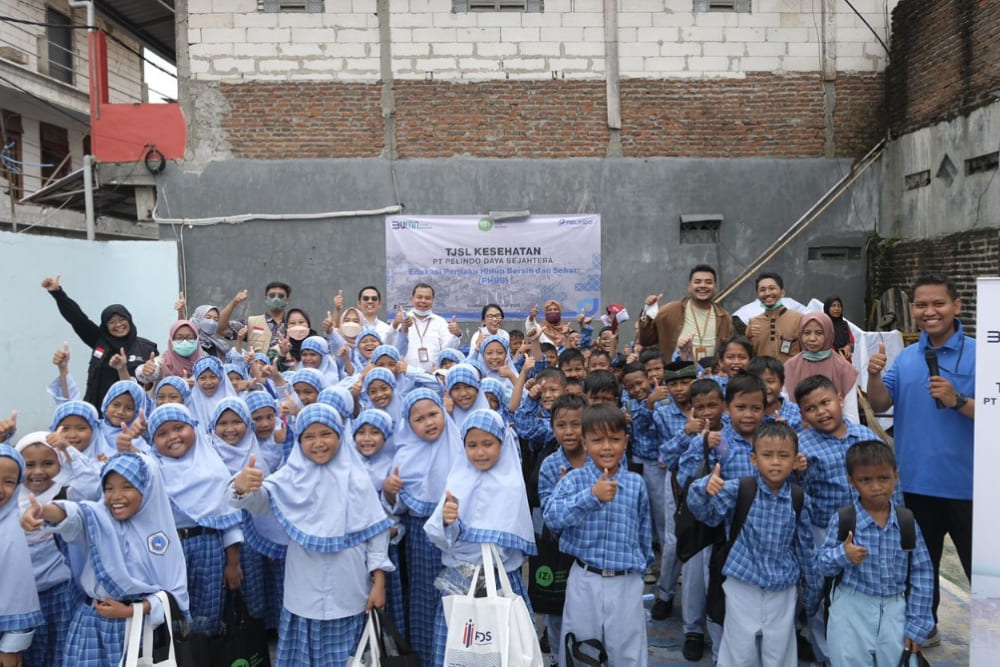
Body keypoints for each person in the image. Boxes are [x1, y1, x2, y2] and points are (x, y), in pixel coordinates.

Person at [230, 403, 393, 666]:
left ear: (340, 436)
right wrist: (242, 487)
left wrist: (379, 583)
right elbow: (258, 503)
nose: (318, 443)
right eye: (309, 436)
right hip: (303, 591)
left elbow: (375, 533)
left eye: (326, 434)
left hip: (349, 591)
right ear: (299, 440)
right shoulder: (288, 479)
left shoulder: (357, 479)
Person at [866, 274, 974, 643]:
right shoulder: (907, 358)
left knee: (983, 571)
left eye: (938, 304)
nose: (930, 312)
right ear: (913, 310)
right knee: (920, 570)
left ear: (957, 306)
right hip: (915, 486)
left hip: (972, 488)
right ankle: (925, 627)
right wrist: (874, 376)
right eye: (921, 305)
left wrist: (958, 400)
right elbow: (881, 404)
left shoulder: (983, 354)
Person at [21, 451, 189, 667]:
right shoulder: (98, 519)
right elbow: (74, 513)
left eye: (127, 486)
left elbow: (173, 594)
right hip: (93, 626)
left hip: (141, 631)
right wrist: (43, 511)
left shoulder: (162, 536)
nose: (115, 496)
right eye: (109, 488)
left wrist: (131, 611)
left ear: (148, 489)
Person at [687, 422, 820, 667]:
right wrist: (703, 488)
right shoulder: (739, 489)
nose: (776, 462)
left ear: (795, 460)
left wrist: (811, 593)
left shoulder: (799, 498)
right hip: (742, 585)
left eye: (784, 455)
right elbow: (705, 514)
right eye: (767, 455)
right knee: (739, 652)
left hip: (782, 588)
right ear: (754, 459)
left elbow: (805, 549)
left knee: (779, 652)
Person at [543, 403, 653, 667]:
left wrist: (640, 571)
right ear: (585, 442)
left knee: (627, 650)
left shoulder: (635, 483)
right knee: (582, 647)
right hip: (585, 578)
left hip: (625, 581)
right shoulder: (574, 480)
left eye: (614, 439)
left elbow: (644, 532)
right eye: (597, 440)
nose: (606, 447)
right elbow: (552, 517)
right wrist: (591, 496)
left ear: (625, 442)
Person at [425, 409, 537, 664]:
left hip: (499, 580)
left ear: (503, 443)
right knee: (459, 650)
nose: (480, 452)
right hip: (459, 580)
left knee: (502, 648)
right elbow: (441, 538)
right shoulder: (457, 480)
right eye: (472, 445)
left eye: (488, 444)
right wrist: (447, 520)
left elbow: (510, 543)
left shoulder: (511, 484)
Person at [818, 440, 934, 666]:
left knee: (900, 661)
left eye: (883, 478)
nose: (876, 486)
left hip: (896, 610)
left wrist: (918, 624)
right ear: (852, 482)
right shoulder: (844, 520)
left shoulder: (906, 522)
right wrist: (843, 554)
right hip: (851, 608)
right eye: (865, 480)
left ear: (895, 476)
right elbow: (821, 564)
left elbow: (923, 574)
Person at [794, 373, 882, 662]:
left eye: (826, 402)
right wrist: (799, 473)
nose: (821, 411)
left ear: (841, 400)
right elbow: (797, 495)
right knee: (820, 592)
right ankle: (826, 654)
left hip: (866, 528)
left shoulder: (866, 437)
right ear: (802, 413)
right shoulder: (801, 447)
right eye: (811, 408)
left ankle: (863, 648)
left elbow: (887, 484)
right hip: (823, 531)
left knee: (862, 589)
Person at [148, 404, 243, 635]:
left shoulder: (213, 468)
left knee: (208, 610)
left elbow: (228, 517)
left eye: (179, 427)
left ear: (193, 428)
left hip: (208, 546)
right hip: (167, 549)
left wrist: (233, 563)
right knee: (171, 612)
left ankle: (203, 653)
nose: (172, 437)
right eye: (162, 433)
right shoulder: (151, 468)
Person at [382, 389, 463, 660]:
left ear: (444, 412)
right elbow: (398, 507)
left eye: (433, 414)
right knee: (426, 596)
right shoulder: (403, 455)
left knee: (458, 596)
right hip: (420, 541)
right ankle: (429, 654)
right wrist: (391, 491)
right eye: (419, 419)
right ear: (408, 423)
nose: (429, 422)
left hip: (457, 537)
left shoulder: (459, 447)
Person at [41, 275, 158, 414]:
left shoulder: (147, 348)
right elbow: (77, 319)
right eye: (112, 322)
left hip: (130, 416)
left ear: (130, 320)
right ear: (105, 325)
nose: (118, 325)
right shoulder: (99, 340)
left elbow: (156, 385)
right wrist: (57, 293)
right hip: (96, 414)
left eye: (122, 319)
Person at [532, 393, 587, 664]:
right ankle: (556, 655)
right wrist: (566, 494)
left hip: (590, 548)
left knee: (585, 612)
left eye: (576, 424)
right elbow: (550, 514)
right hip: (558, 548)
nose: (569, 432)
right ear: (552, 427)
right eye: (561, 425)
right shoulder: (551, 465)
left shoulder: (598, 458)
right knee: (556, 610)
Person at [1, 444, 45, 667]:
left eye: (8, 482)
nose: (0, 489)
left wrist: (12, 645)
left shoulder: (14, 530)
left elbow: (20, 592)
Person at [638, 265, 734, 363]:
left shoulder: (724, 318)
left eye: (708, 282)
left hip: (711, 375)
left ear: (715, 287)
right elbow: (646, 341)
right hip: (675, 374)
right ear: (689, 286)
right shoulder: (669, 311)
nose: (703, 285)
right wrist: (648, 311)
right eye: (697, 282)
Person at [784, 311, 860, 425]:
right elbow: (786, 408)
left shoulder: (843, 368)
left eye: (819, 333)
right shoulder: (790, 367)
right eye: (807, 333)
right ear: (800, 334)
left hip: (835, 434)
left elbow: (851, 415)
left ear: (829, 334)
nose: (812, 338)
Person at [398, 283, 461, 372]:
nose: (423, 301)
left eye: (427, 298)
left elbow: (447, 350)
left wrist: (456, 335)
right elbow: (394, 348)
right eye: (419, 297)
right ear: (412, 299)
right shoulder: (402, 320)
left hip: (433, 376)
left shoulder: (440, 322)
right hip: (406, 376)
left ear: (432, 301)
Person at [220, 281, 292, 355]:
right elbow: (221, 329)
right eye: (272, 295)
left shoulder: (294, 324)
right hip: (257, 365)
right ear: (266, 299)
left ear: (287, 300)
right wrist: (234, 303)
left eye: (280, 296)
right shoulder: (252, 323)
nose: (276, 299)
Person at [746, 273, 802, 363]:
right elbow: (749, 355)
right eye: (762, 290)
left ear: (782, 292)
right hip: (762, 374)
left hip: (791, 374)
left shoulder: (799, 319)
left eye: (772, 288)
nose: (767, 293)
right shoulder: (754, 322)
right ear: (757, 294)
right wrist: (747, 336)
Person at [746, 356, 802, 431]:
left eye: (770, 381)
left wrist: (788, 434)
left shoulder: (796, 412)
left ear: (781, 384)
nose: (764, 387)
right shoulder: (746, 415)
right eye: (758, 382)